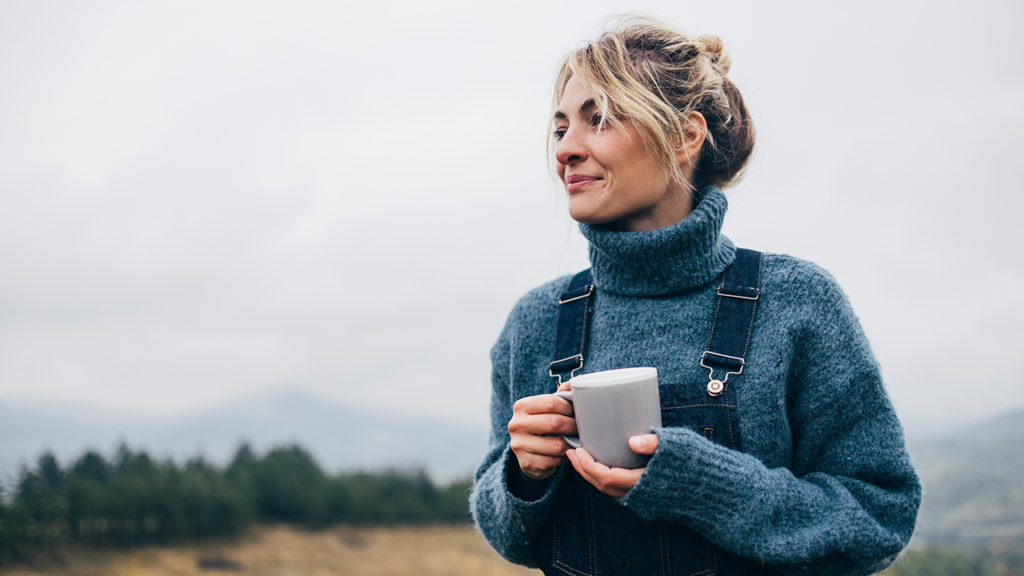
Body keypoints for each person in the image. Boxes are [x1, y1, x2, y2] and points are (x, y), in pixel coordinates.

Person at [470, 16, 920, 576]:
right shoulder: (535, 321)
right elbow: (506, 533)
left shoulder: (798, 303)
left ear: (685, 136)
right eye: (560, 128)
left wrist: (703, 486)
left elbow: (879, 518)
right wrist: (522, 477)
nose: (566, 150)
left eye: (600, 119)